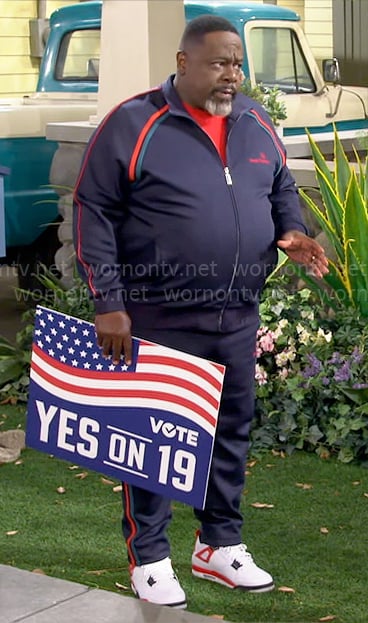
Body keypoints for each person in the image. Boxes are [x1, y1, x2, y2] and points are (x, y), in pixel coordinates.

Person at [73, 15, 328, 610]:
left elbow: (281, 187)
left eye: (237, 63)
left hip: (237, 313)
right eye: (219, 62)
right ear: (184, 63)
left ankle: (219, 544)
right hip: (159, 315)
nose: (232, 74)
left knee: (230, 431)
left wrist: (292, 230)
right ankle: (151, 557)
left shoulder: (255, 122)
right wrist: (108, 303)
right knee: (156, 438)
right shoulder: (135, 123)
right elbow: (93, 209)